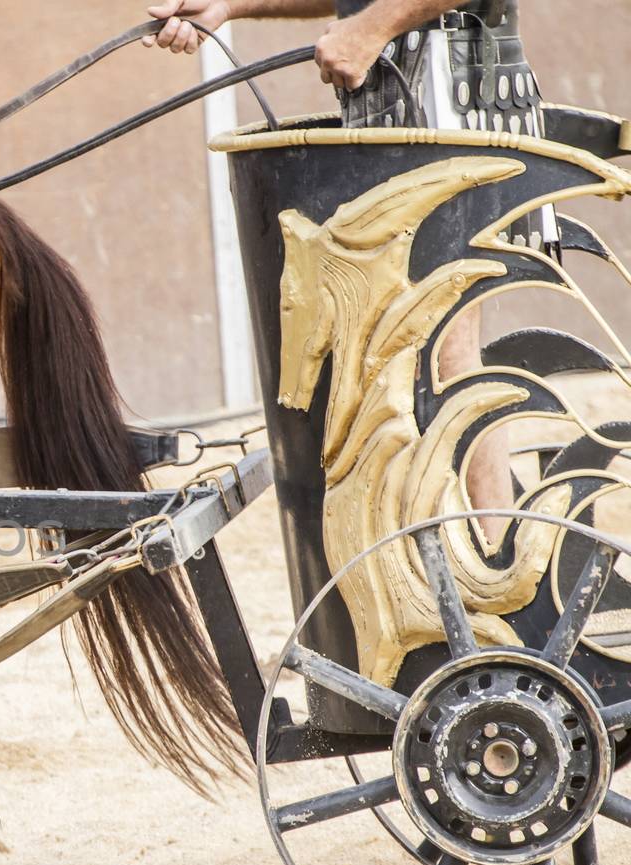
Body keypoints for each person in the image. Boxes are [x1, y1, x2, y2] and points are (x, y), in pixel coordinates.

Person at [145, 0, 546, 534]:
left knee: (442, 350)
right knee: (410, 356)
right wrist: (230, 5)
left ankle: (497, 561)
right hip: (400, 90)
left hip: (451, 83)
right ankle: (472, 553)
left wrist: (373, 26)